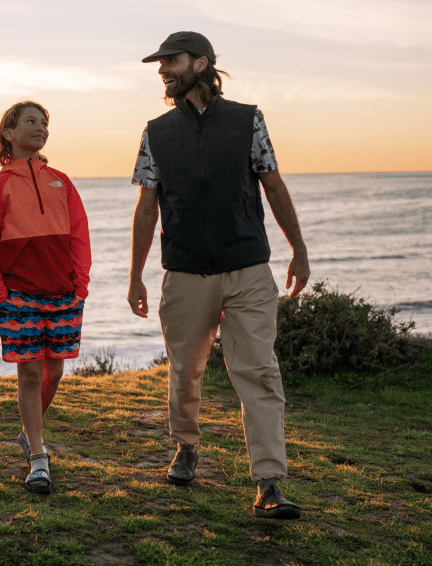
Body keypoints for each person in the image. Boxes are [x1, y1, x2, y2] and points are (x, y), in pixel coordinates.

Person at [127, 32, 310, 519]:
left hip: (248, 267)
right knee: (186, 372)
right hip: (185, 272)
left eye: (172, 60)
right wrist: (135, 275)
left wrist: (298, 249)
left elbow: (272, 182)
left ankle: (269, 483)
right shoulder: (156, 131)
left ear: (202, 62)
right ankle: (186, 446)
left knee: (259, 373)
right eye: (160, 63)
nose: (163, 69)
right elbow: (147, 206)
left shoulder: (248, 119)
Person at [0, 101, 91, 493]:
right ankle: (38, 458)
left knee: (54, 372)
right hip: (18, 294)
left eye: (45, 122)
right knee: (28, 373)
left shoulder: (61, 180)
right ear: (9, 132)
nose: (40, 127)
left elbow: (79, 234)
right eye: (31, 121)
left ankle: (30, 432)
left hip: (63, 292)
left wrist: (81, 284)